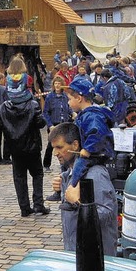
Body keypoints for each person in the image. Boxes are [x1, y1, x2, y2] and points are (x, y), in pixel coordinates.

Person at [49, 123, 118, 256]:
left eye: (59, 147)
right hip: (77, 253)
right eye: (53, 148)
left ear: (75, 145)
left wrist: (76, 202)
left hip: (95, 259)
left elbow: (107, 215)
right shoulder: (71, 173)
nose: (55, 153)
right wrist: (62, 185)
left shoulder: (95, 174)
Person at [0, 57, 50, 217]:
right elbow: (41, 123)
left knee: (19, 178)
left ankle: (24, 208)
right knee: (37, 174)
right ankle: (38, 205)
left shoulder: (5, 105)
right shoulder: (32, 103)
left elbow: (0, 123)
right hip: (32, 146)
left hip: (15, 148)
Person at [65, 76, 115, 189]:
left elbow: (97, 133)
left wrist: (87, 149)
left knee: (78, 167)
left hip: (95, 154)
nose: (68, 103)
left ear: (78, 98)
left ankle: (73, 190)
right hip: (92, 152)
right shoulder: (85, 114)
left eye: (69, 99)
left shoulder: (92, 116)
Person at [42, 76, 73, 175]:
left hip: (64, 123)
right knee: (51, 145)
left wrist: (73, 113)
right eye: (55, 83)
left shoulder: (65, 96)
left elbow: (69, 108)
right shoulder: (50, 97)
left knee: (66, 144)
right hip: (54, 124)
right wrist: (50, 125)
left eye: (59, 83)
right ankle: (46, 164)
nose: (57, 85)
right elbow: (45, 112)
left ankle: (65, 164)